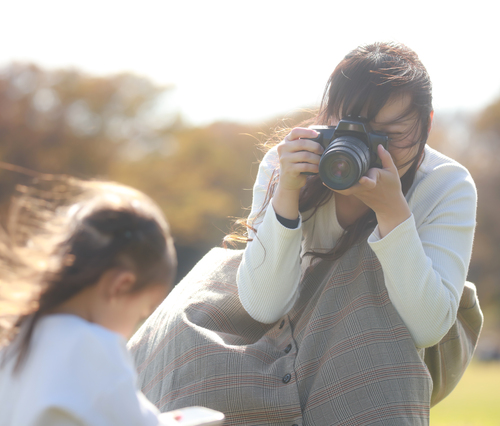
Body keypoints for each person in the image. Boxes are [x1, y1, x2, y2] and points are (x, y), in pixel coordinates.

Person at [129, 41, 480, 426]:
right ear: (327, 117)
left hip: (366, 344)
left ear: (426, 124)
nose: (364, 147)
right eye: (352, 128)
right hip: (269, 333)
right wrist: (287, 195)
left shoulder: (446, 184)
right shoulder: (291, 161)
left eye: (388, 135)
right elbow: (264, 305)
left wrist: (393, 211)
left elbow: (428, 327)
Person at [0, 176, 184, 426]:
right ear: (120, 286)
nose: (132, 328)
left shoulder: (4, 355)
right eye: (140, 313)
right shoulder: (94, 349)